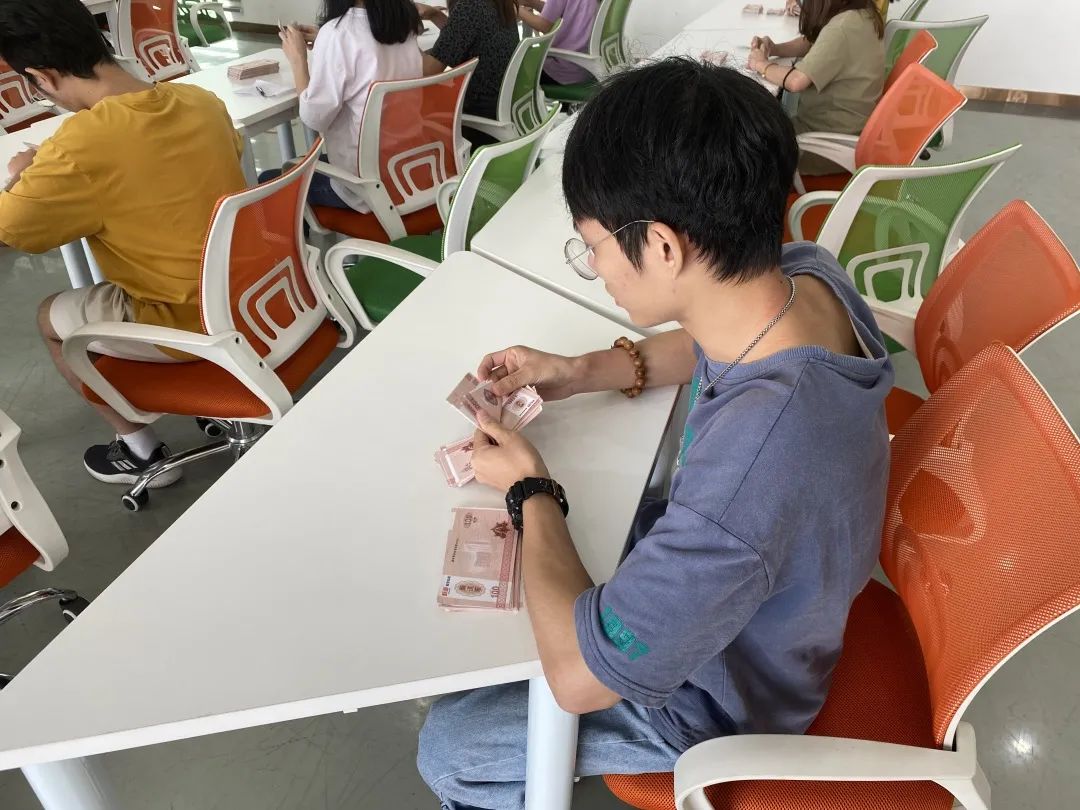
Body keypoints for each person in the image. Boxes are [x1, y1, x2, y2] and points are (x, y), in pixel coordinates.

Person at [415, 57, 894, 809]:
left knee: (449, 747)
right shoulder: (803, 276)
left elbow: (579, 679)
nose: (595, 266)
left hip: (719, 698)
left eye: (594, 245)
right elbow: (708, 337)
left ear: (664, 247)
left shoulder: (752, 468)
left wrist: (531, 489)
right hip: (780, 602)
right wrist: (580, 370)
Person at [0, 0, 246, 487]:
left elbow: (14, 227)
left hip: (183, 320)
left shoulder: (79, 145)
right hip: (253, 293)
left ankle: (140, 450)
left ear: (42, 77)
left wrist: (20, 175)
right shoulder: (201, 101)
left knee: (49, 316)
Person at [269, 0, 423, 210]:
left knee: (268, 181)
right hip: (411, 173)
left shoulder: (337, 34)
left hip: (363, 189)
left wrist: (298, 60)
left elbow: (313, 117)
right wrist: (326, 38)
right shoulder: (404, 23)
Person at [749, 0, 885, 174]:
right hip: (850, 134)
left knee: (747, 148)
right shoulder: (861, 14)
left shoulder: (841, 29)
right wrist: (775, 48)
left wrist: (761, 64)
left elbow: (796, 81)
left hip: (827, 144)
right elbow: (814, 43)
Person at [416, 0, 519, 141]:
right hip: (499, 104)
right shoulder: (499, 4)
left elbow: (428, 71)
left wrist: (404, 35)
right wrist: (435, 15)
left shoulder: (469, 6)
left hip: (479, 115)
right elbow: (462, 35)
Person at [517, 0, 599, 86]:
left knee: (516, 67)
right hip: (589, 66)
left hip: (565, 69)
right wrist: (531, 3)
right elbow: (557, 10)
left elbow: (545, 26)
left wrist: (516, 9)